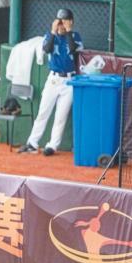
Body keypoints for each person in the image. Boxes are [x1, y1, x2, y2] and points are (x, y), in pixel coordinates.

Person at [18, 8, 83, 156]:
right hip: (53, 79)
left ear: (71, 22)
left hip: (69, 81)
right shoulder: (50, 35)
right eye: (60, 21)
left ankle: (52, 146)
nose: (61, 24)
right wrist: (54, 32)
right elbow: (46, 49)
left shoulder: (75, 36)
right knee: (43, 112)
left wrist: (68, 31)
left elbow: (73, 50)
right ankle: (32, 143)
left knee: (61, 116)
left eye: (65, 21)